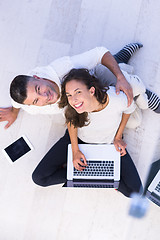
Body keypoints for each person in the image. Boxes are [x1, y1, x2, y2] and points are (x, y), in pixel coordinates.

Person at [32, 68, 143, 198]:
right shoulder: (73, 106)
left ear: (91, 91)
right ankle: (90, 175)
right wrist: (75, 150)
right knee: (39, 178)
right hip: (78, 140)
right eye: (69, 95)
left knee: (136, 192)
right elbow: (71, 121)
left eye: (78, 92)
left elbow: (129, 109)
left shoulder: (117, 99)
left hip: (109, 143)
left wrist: (118, 137)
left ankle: (97, 176)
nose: (73, 100)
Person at [0, 43, 148, 129]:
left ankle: (124, 70)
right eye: (36, 100)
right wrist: (14, 112)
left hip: (92, 81)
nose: (44, 97)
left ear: (38, 77)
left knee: (126, 82)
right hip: (87, 103)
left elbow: (99, 53)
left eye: (39, 89)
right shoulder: (29, 105)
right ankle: (120, 64)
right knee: (134, 122)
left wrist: (120, 77)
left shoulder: (64, 67)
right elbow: (16, 102)